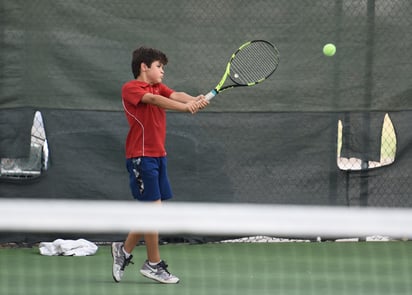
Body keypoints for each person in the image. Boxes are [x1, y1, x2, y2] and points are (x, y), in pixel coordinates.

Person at [111, 46, 209, 284]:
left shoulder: (158, 87)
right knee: (152, 210)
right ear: (144, 67)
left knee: (150, 210)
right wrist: (186, 108)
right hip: (141, 157)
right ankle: (153, 264)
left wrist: (196, 99)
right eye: (159, 66)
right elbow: (156, 101)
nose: (162, 71)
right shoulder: (132, 88)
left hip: (158, 156)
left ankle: (123, 251)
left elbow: (175, 95)